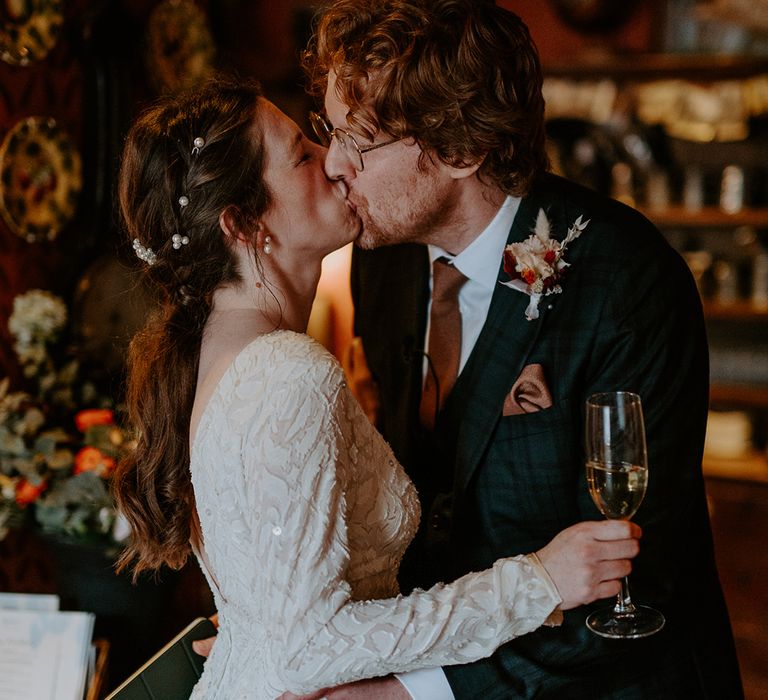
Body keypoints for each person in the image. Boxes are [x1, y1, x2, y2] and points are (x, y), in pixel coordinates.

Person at [112, 74, 640, 699]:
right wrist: (537, 582)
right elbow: (310, 647)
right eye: (302, 154)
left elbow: (284, 607)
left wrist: (261, 626)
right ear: (245, 222)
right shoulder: (287, 371)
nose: (333, 160)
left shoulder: (222, 351)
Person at [298, 0, 745, 698]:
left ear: (460, 150)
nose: (333, 164)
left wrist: (414, 693)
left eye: (362, 140)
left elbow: (632, 573)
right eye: (330, 131)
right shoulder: (382, 262)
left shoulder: (626, 282)